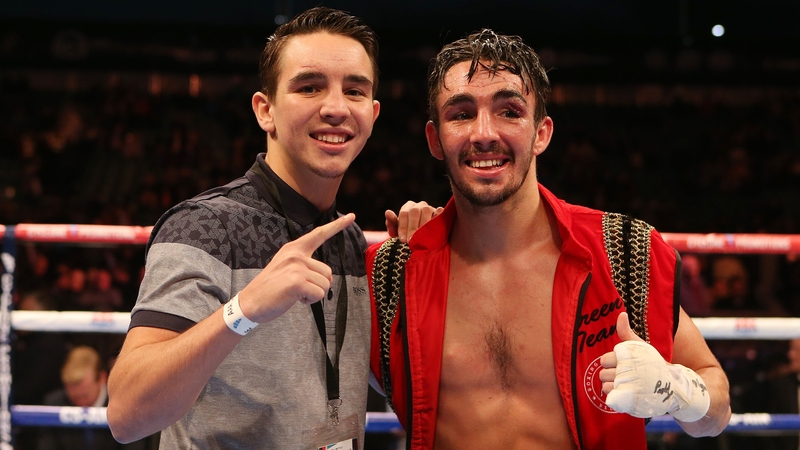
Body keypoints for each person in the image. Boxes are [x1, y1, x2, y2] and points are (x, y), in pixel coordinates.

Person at [365, 29, 731, 449]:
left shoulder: (623, 252)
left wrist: (677, 391)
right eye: (461, 113)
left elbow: (716, 408)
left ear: (541, 133)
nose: (484, 132)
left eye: (509, 111)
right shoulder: (391, 272)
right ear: (435, 139)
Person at [107, 7, 432, 449]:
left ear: (372, 114)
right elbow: (127, 415)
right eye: (309, 87)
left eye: (354, 90)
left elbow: (392, 383)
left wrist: (425, 276)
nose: (336, 107)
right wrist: (244, 310)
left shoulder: (348, 238)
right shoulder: (205, 226)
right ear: (266, 110)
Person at [38, 346, 147, 450]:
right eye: (75, 397)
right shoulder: (54, 404)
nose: (81, 402)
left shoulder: (125, 404)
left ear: (102, 378)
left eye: (85, 395)